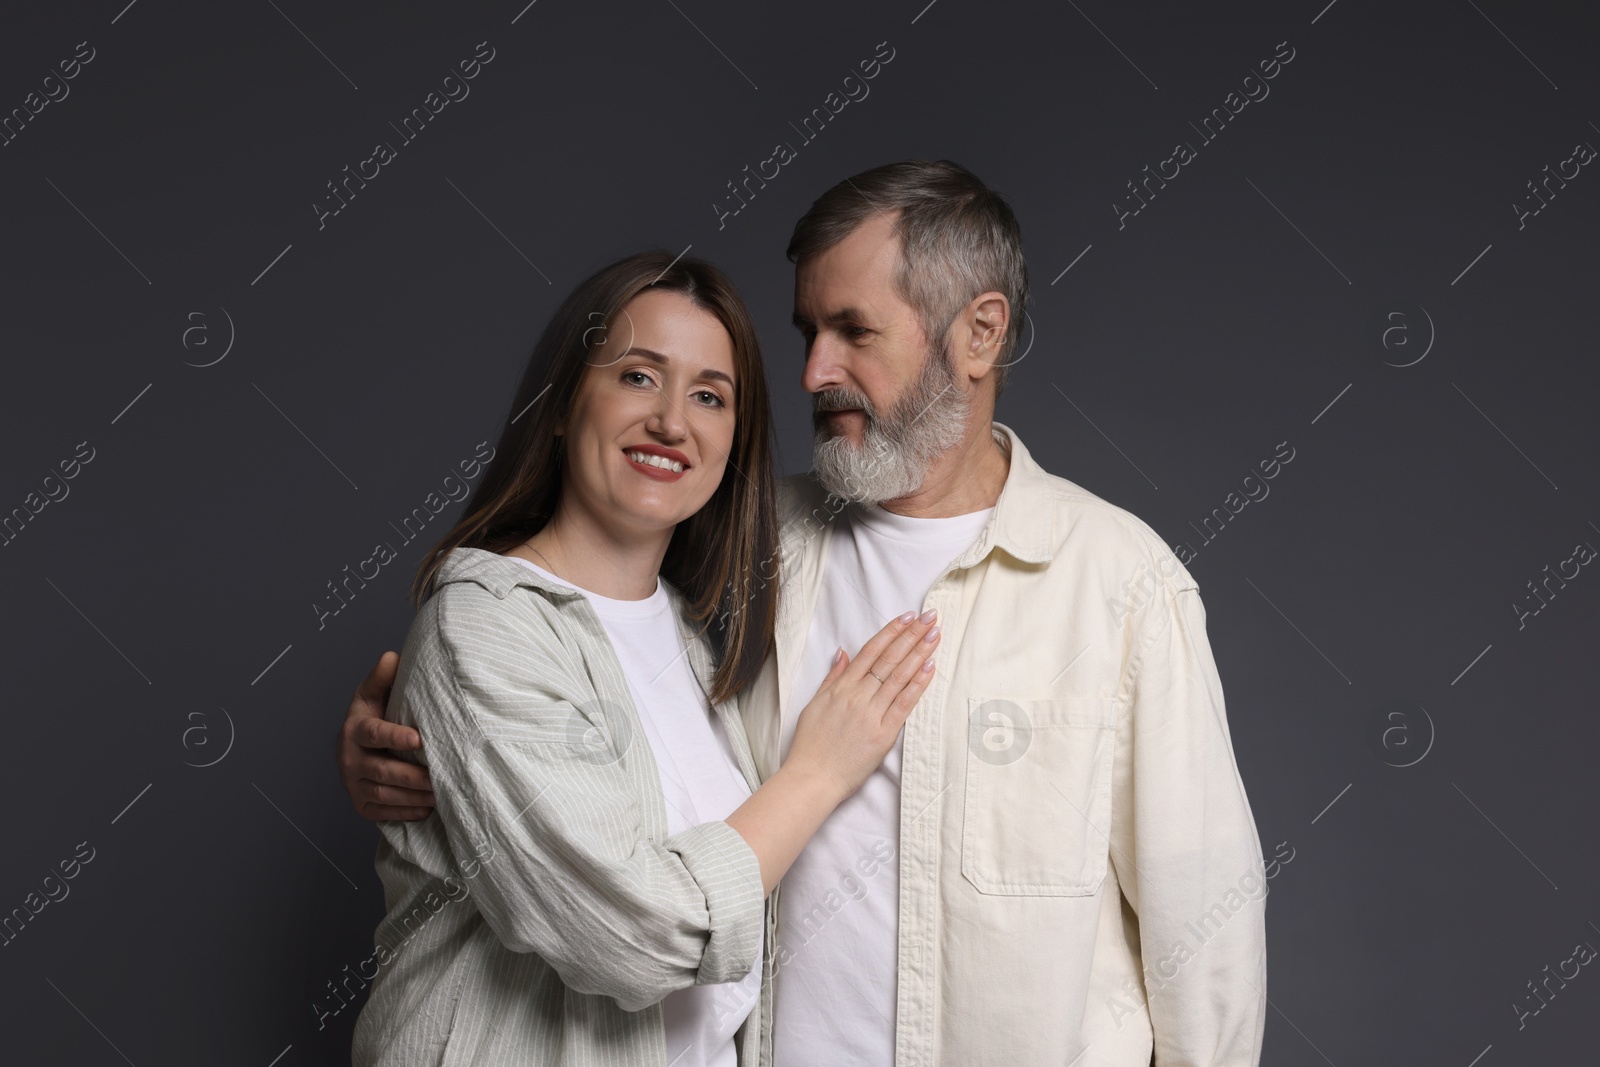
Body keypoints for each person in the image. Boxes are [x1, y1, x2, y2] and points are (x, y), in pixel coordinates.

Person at [341, 162, 1268, 1066]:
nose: (815, 370)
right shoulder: (744, 546)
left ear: (979, 334)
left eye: (854, 331)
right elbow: (550, 657)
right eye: (807, 331)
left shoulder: (1119, 584)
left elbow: (1205, 933)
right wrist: (428, 760)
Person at [345, 249, 943, 1067]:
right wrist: (817, 773)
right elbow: (626, 935)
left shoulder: (698, 645)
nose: (672, 421)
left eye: (709, 395)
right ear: (562, 404)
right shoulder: (483, 625)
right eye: (637, 376)